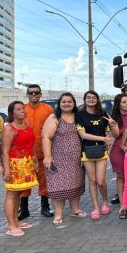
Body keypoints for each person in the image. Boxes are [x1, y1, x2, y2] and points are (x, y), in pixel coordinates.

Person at [41, 93, 86, 229]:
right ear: (59, 104)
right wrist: (47, 156)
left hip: (75, 160)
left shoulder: (78, 117)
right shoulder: (54, 117)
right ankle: (58, 214)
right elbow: (46, 137)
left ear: (74, 103)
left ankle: (75, 210)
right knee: (58, 187)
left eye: (70, 101)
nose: (67, 104)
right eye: (64, 102)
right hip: (58, 160)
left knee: (76, 183)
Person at [76, 91, 119, 220]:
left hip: (101, 151)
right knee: (92, 181)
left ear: (97, 99)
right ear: (84, 100)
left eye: (93, 97)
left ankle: (105, 202)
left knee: (100, 181)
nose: (91, 99)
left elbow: (115, 134)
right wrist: (103, 139)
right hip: (87, 151)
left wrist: (113, 125)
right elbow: (83, 135)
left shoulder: (103, 114)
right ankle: (96, 207)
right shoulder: (80, 115)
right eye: (88, 97)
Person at [1, 101, 38, 237]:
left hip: (26, 163)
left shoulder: (26, 125)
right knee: (11, 194)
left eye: (23, 109)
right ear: (12, 113)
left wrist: (34, 160)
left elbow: (31, 144)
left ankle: (16, 221)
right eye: (18, 109)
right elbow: (4, 151)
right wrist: (7, 169)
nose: (22, 111)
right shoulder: (9, 129)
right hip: (15, 165)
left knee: (18, 193)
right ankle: (11, 225)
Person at [19, 84, 55, 220]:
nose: (34, 95)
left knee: (44, 182)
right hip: (25, 154)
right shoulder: (22, 109)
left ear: (40, 94)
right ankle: (24, 210)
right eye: (31, 93)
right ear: (27, 94)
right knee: (24, 182)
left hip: (43, 153)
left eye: (36, 93)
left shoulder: (48, 110)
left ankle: (45, 207)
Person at [109, 94, 127, 205]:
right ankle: (123, 203)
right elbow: (116, 135)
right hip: (118, 151)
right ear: (118, 105)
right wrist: (113, 125)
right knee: (121, 176)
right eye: (124, 102)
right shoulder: (114, 118)